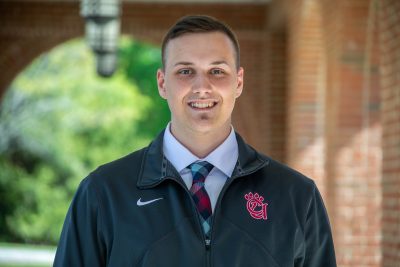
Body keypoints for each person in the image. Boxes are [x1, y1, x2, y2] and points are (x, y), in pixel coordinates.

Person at [54, 15, 336, 266]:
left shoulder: (296, 197)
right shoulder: (103, 194)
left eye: (217, 71)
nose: (202, 88)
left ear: (238, 82)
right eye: (186, 71)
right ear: (163, 83)